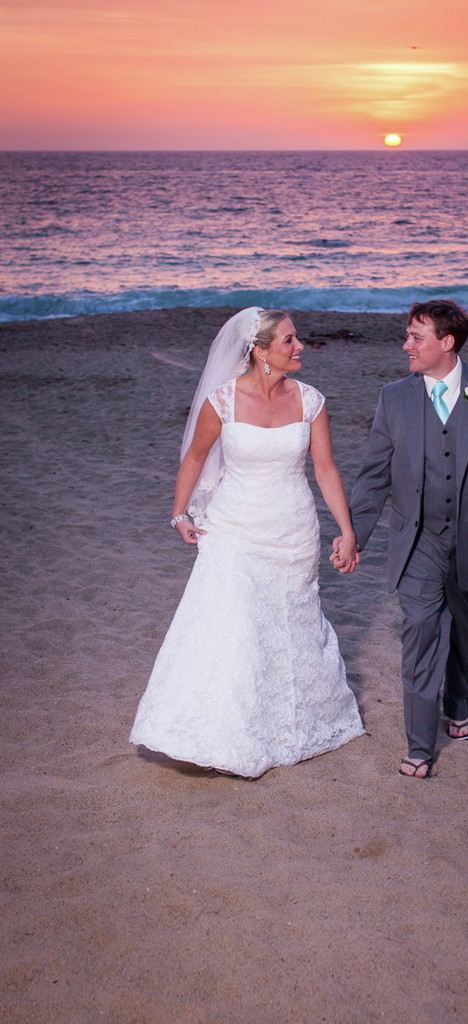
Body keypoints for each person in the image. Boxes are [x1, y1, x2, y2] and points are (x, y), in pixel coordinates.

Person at [130, 307, 364, 778]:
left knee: (288, 625)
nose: (299, 346)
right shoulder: (222, 401)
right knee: (234, 625)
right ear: (260, 352)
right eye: (289, 340)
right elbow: (195, 457)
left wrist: (347, 529)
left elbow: (325, 469)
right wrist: (179, 513)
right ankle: (222, 735)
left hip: (293, 531)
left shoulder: (311, 401)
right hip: (234, 528)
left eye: (297, 338)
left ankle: (286, 724)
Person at [333, 299, 468, 778]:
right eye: (407, 335)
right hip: (416, 541)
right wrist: (354, 535)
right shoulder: (393, 398)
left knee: (462, 628)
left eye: (415, 337)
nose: (406, 345)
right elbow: (374, 477)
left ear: (446, 343)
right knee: (422, 630)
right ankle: (420, 746)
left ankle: (458, 704)